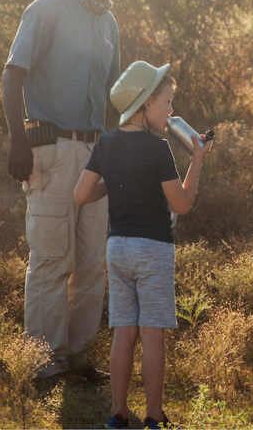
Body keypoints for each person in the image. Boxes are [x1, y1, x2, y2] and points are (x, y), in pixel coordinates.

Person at [0, 0, 126, 379]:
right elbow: (12, 78)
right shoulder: (47, 9)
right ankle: (42, 361)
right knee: (53, 258)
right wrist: (18, 140)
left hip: (96, 151)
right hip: (51, 151)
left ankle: (75, 355)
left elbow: (115, 99)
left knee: (92, 259)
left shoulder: (109, 22)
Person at [74, 60, 212, 429]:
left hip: (117, 248)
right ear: (146, 103)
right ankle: (152, 416)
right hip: (153, 249)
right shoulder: (158, 150)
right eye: (166, 102)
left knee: (124, 331)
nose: (170, 111)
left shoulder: (105, 143)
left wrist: (115, 184)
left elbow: (81, 194)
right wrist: (197, 162)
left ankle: (118, 413)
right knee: (151, 333)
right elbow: (181, 204)